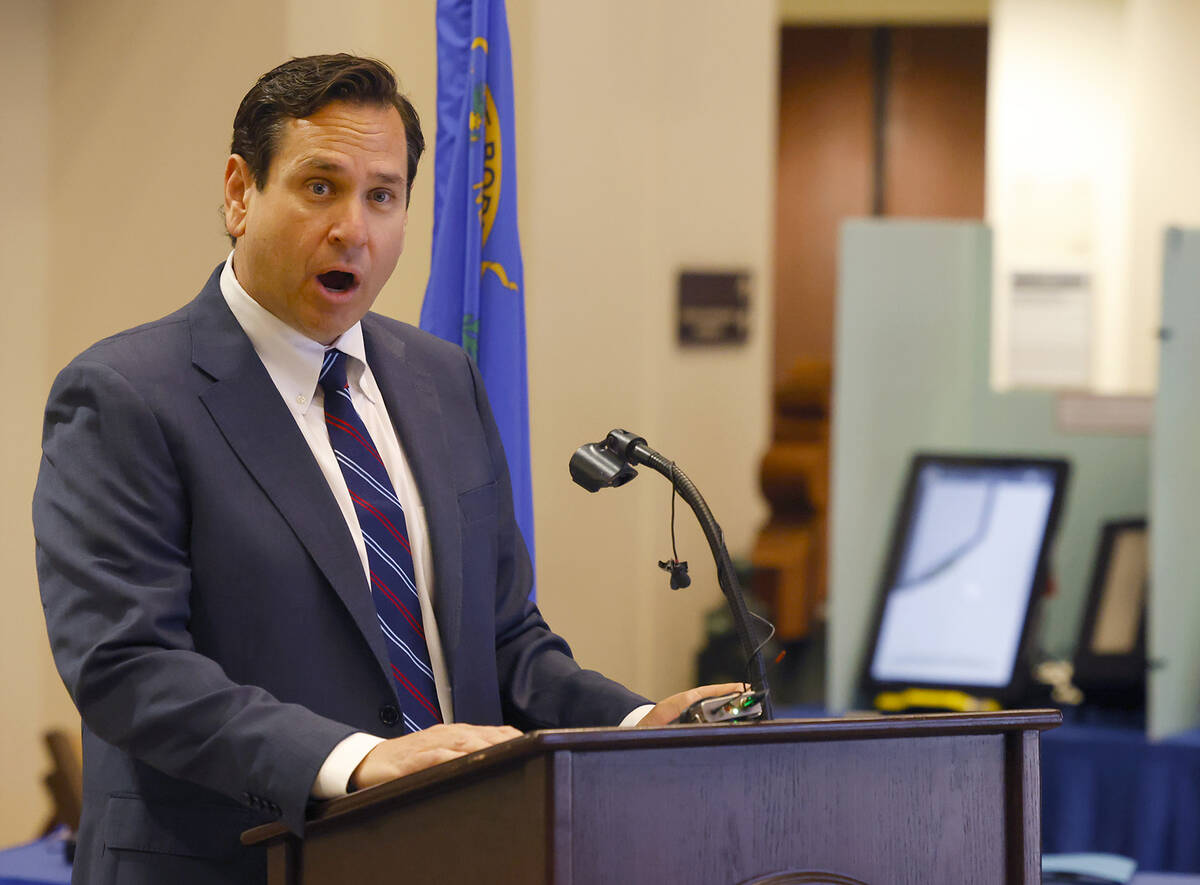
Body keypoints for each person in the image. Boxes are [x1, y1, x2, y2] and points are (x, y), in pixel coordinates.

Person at [33, 54, 740, 885]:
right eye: (320, 187)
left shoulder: (443, 380)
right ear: (238, 193)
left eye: (383, 195)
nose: (353, 230)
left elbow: (505, 641)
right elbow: (128, 667)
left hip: (455, 858)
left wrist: (633, 722)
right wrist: (357, 759)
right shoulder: (126, 396)